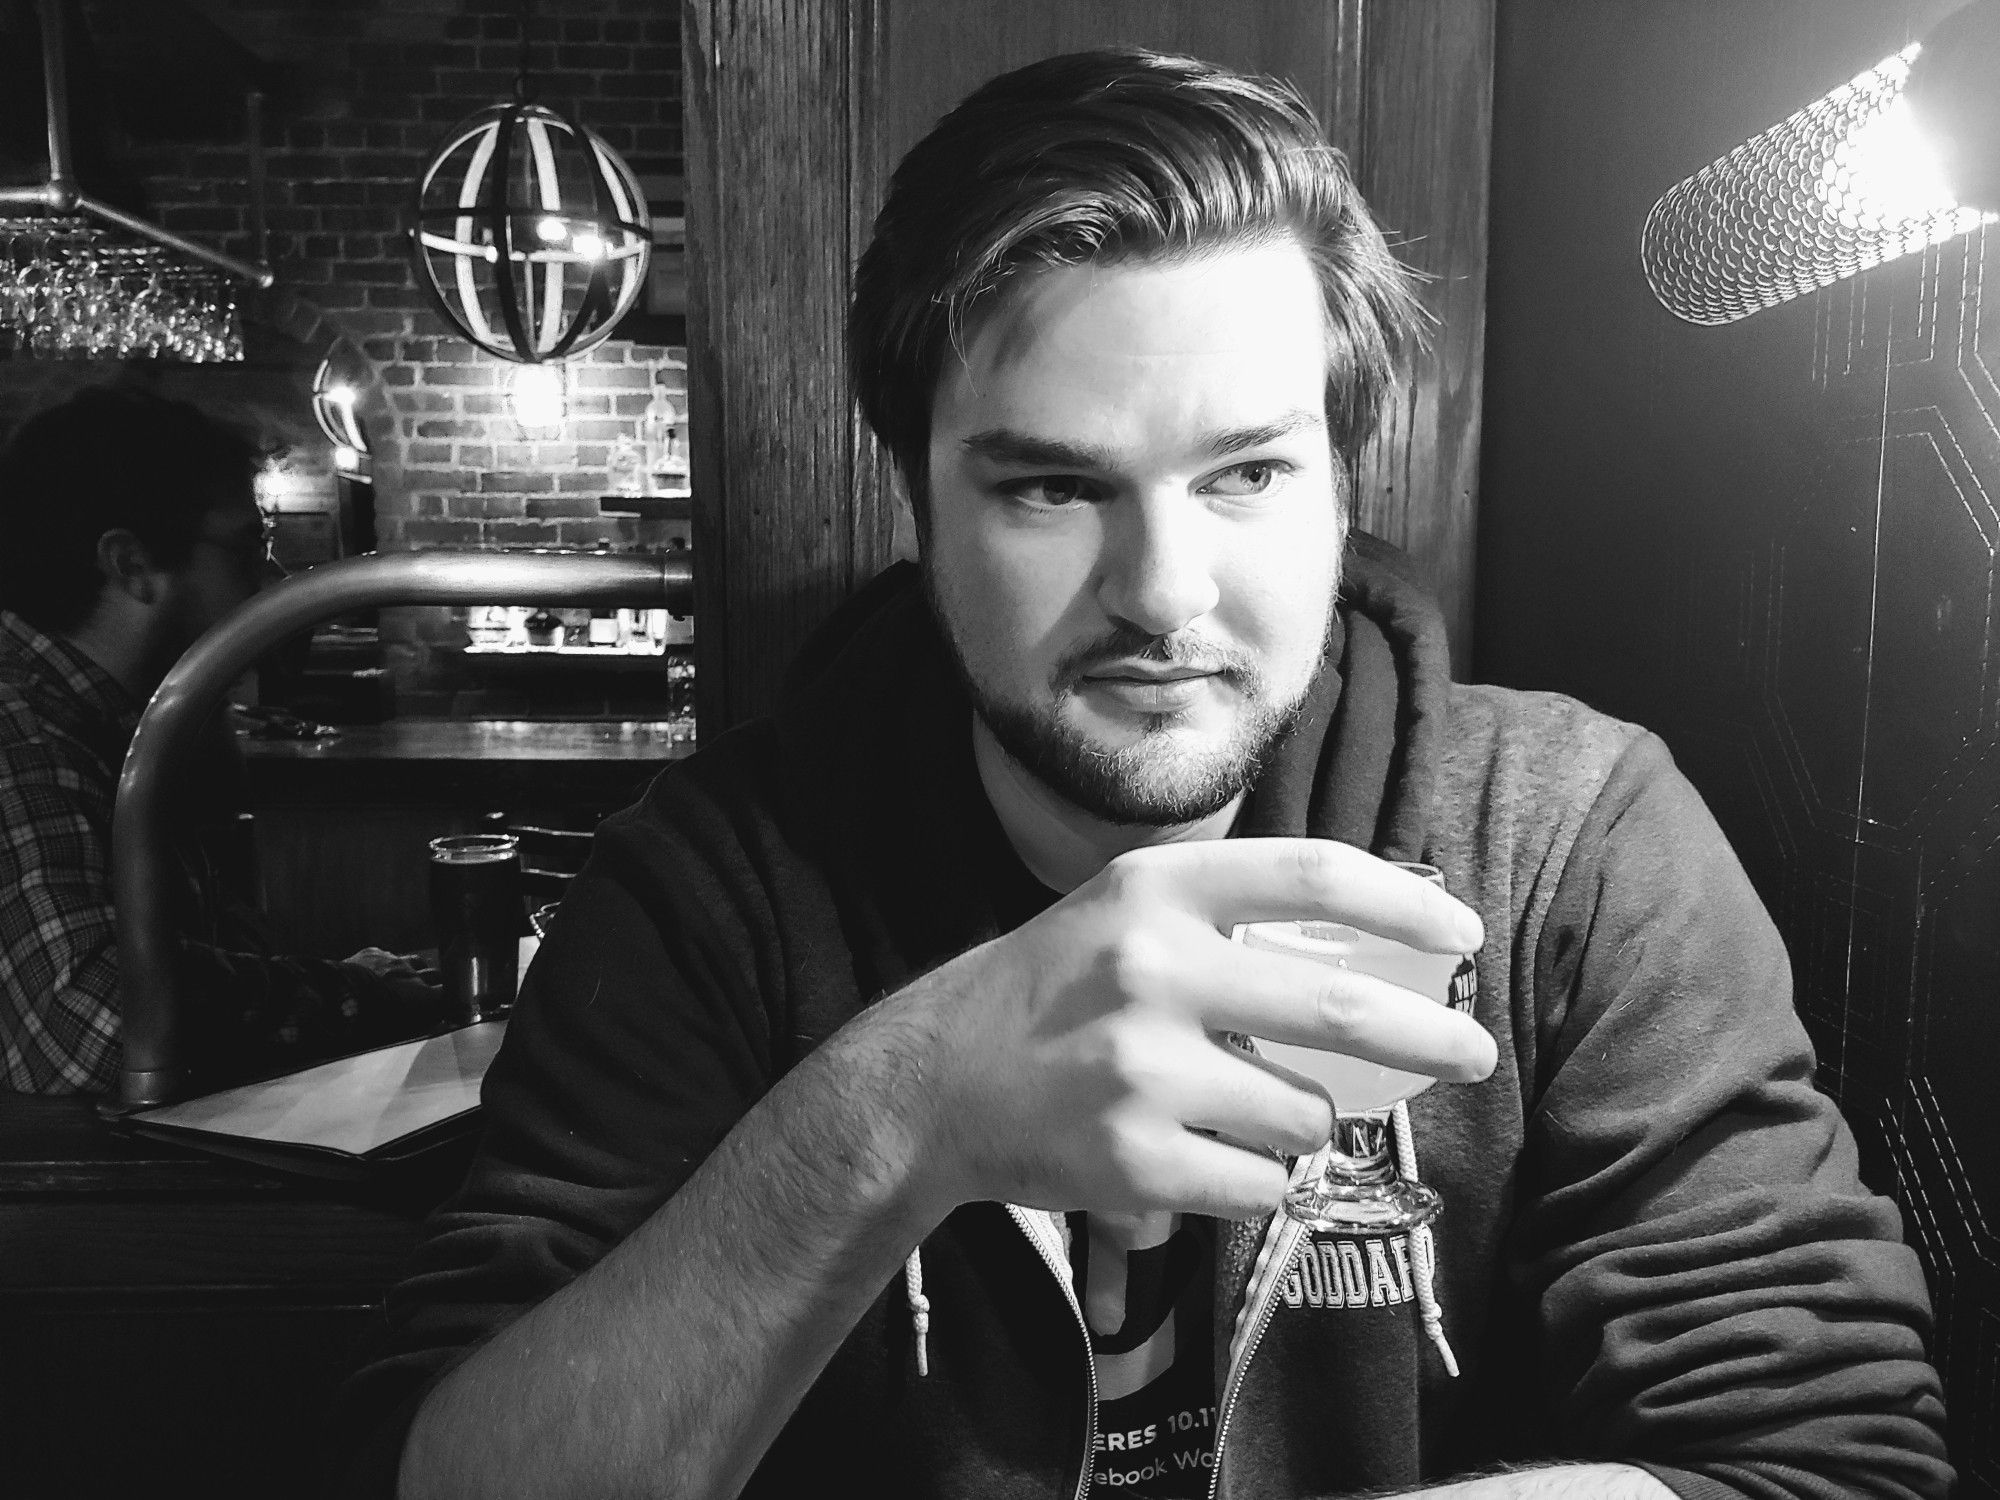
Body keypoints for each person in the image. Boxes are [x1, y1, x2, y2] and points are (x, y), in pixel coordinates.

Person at [337, 50, 1951, 1500]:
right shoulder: (711, 883)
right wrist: (901, 1110)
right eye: (1051, 488)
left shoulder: (1568, 845)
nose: (1164, 593)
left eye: (1247, 471)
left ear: (1341, 481)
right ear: (919, 499)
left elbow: (1820, 1459)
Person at [0, 384, 448, 1094]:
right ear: (132, 566)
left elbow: (184, 963)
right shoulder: (17, 729)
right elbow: (95, 1030)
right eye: (247, 548)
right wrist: (355, 995)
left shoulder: (116, 719)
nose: (268, 581)